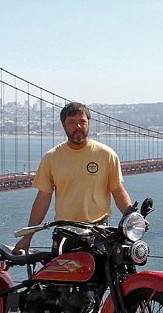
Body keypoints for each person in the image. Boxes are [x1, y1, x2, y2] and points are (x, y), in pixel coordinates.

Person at [14, 102, 134, 254]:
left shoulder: (106, 155)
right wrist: (27, 237)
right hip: (65, 235)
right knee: (62, 278)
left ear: (88, 123)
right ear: (64, 125)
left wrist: (133, 219)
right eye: (72, 122)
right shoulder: (52, 157)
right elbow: (43, 198)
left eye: (82, 122)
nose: (78, 126)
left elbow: (118, 190)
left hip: (99, 233)